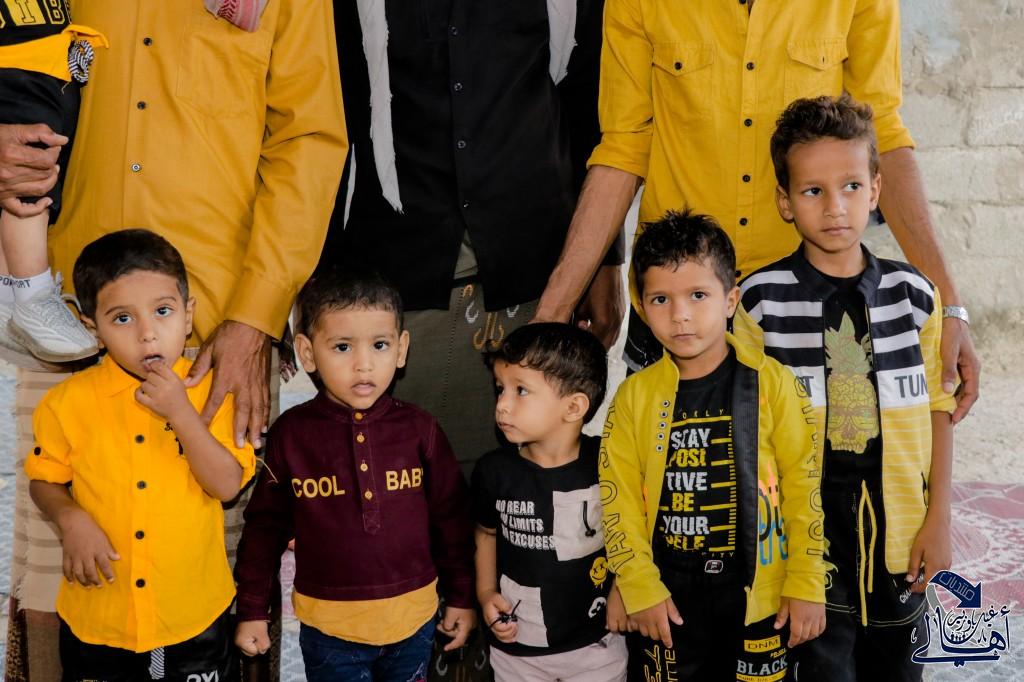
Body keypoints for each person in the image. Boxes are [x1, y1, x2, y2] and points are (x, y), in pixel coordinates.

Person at [3, 4, 347, 680]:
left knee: (219, 585)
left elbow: (308, 138)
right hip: (60, 318)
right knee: (52, 587)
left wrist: (255, 317)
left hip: (216, 340)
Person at [534, 0, 979, 424]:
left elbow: (882, 135)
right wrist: (551, 315)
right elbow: (622, 148)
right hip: (676, 305)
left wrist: (950, 307)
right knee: (665, 474)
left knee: (808, 476)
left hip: (804, 313)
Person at [322, 0, 623, 479]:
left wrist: (604, 263)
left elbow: (591, 108)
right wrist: (315, 281)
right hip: (396, 279)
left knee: (523, 492)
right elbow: (324, 120)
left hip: (533, 277)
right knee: (392, 484)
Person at [732, 95, 955, 680]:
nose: (835, 207)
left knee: (898, 669)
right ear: (785, 201)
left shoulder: (915, 296)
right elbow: (750, 434)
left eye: (852, 186)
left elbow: (938, 408)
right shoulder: (759, 303)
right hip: (807, 544)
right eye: (813, 191)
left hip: (900, 532)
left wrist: (939, 518)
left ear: (876, 190)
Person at [601, 210, 825, 680]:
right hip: (666, 598)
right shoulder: (633, 398)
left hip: (759, 595)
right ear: (641, 307)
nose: (680, 315)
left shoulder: (773, 384)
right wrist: (637, 584)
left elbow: (804, 486)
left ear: (730, 300)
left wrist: (806, 581)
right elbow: (619, 499)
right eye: (660, 299)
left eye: (698, 295)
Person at [24, 229, 256, 680]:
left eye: (163, 311)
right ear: (93, 328)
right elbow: (43, 479)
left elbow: (227, 486)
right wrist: (70, 519)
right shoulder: (66, 403)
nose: (148, 333)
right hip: (100, 617)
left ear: (188, 316)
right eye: (122, 318)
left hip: (192, 616)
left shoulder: (214, 391)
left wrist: (181, 413)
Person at [234, 268, 476, 681]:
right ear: (308, 353)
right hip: (330, 632)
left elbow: (451, 521)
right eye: (343, 347)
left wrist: (462, 596)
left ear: (401, 349)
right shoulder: (291, 435)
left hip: (414, 623)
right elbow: (264, 529)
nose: (364, 365)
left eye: (380, 345)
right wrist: (253, 610)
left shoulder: (421, 430)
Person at [471, 323, 626, 682]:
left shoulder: (610, 463)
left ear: (573, 407)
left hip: (597, 644)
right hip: (517, 650)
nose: (502, 405)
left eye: (521, 390)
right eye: (500, 389)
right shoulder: (493, 471)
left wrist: (623, 590)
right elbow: (485, 534)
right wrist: (485, 592)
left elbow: (632, 533)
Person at [0, 2, 104, 362]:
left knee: (32, 168)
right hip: (20, 60)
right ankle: (33, 293)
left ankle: (8, 294)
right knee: (32, 174)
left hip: (49, 57)